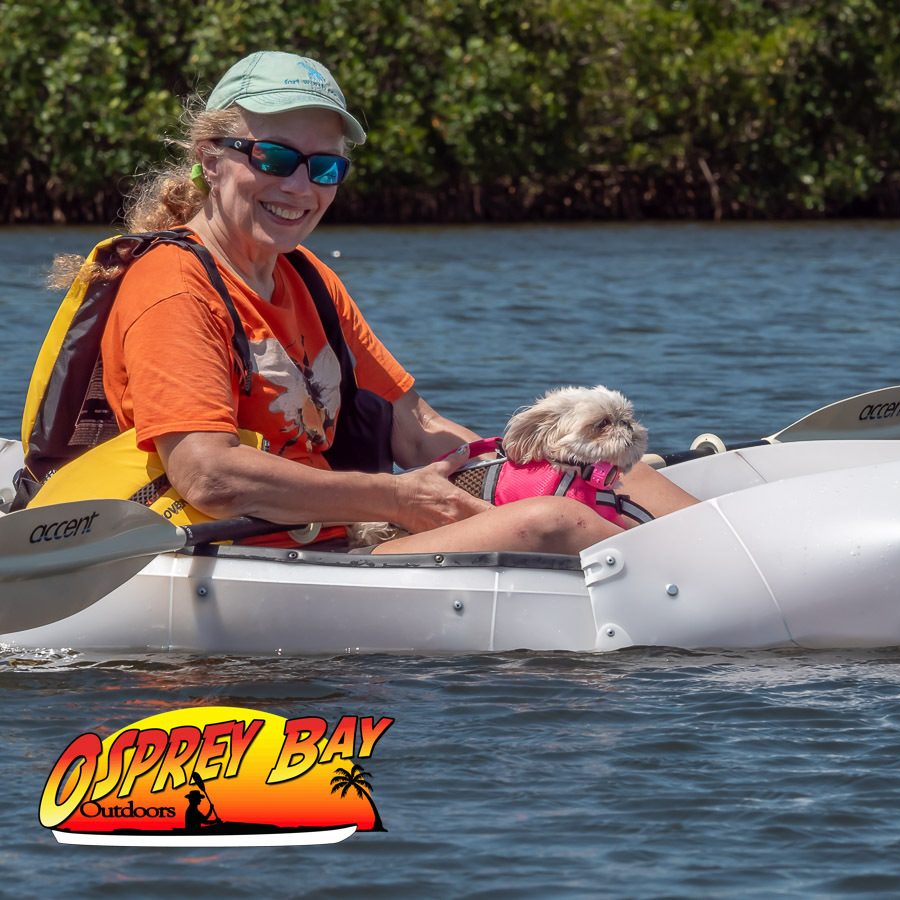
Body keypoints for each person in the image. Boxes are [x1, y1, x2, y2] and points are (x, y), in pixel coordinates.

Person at [31, 50, 696, 554]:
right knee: (553, 520)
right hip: (250, 554)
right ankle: (703, 584)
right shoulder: (174, 285)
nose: (300, 187)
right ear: (210, 158)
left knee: (613, 473)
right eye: (273, 157)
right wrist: (398, 499)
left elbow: (415, 428)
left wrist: (536, 460)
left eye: (324, 167)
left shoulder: (308, 277)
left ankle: (725, 559)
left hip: (338, 535)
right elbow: (209, 477)